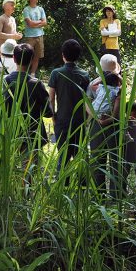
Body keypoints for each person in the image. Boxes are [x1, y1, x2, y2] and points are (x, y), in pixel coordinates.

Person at [49, 38, 91, 171]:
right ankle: (82, 184)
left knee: (63, 154)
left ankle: (63, 184)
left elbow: (51, 98)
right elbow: (87, 99)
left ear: (63, 55)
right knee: (80, 154)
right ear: (78, 56)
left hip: (62, 119)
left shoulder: (56, 73)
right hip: (79, 120)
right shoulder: (84, 75)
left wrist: (53, 117)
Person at [3, 43, 52, 154]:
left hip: (11, 134)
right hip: (33, 136)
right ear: (31, 60)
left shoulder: (6, 82)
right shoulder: (36, 84)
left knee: (12, 168)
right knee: (31, 168)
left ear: (14, 59)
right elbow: (48, 112)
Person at [89, 67, 123, 193]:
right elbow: (115, 116)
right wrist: (117, 75)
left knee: (98, 160)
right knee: (115, 160)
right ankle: (116, 193)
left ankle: (99, 194)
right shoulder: (117, 92)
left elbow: (92, 84)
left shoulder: (100, 88)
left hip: (97, 121)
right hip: (111, 124)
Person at [22, 0, 48, 76]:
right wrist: (39, 22)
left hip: (39, 35)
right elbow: (30, 24)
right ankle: (24, 73)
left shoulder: (40, 9)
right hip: (29, 37)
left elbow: (45, 23)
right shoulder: (26, 9)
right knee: (27, 56)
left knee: (37, 56)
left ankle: (32, 74)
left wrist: (35, 23)